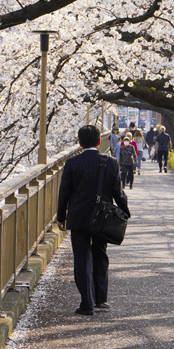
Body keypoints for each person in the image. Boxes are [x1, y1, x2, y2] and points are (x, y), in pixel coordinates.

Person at [57, 124, 130, 316]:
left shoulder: (72, 163)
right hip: (102, 217)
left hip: (78, 217)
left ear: (79, 143)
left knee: (81, 259)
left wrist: (61, 217)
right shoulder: (110, 162)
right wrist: (125, 210)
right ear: (99, 141)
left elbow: (64, 192)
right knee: (100, 255)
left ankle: (86, 302)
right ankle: (101, 299)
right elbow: (117, 191)